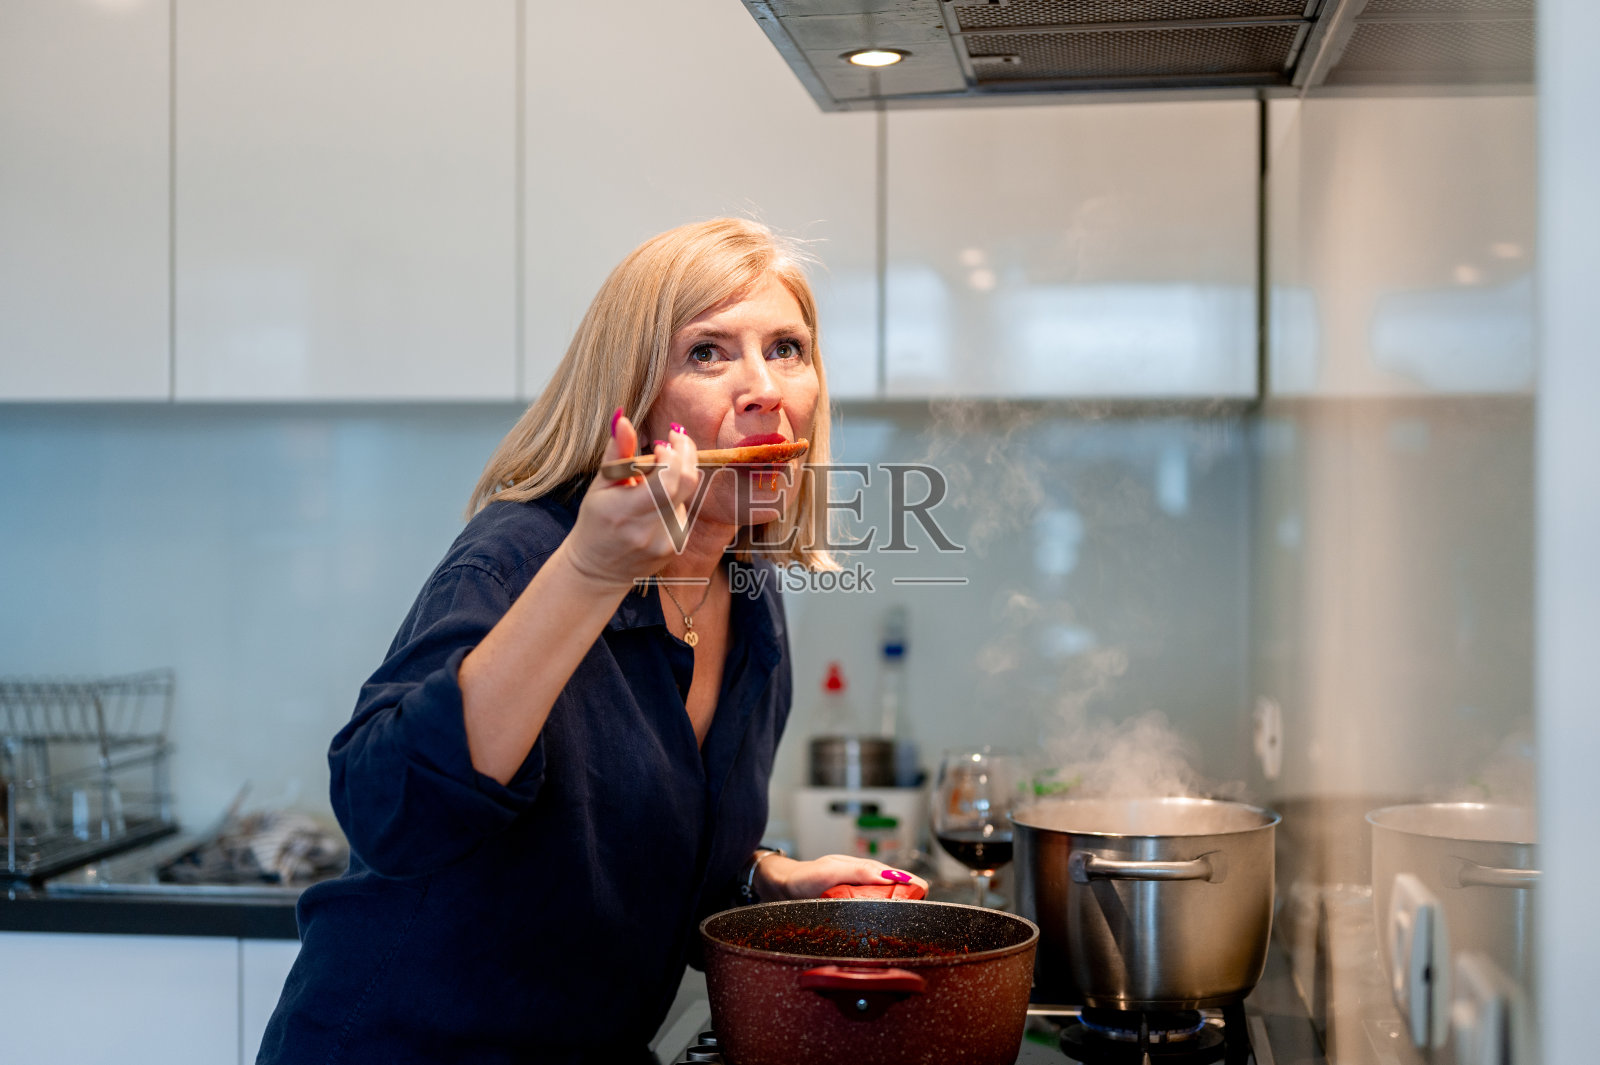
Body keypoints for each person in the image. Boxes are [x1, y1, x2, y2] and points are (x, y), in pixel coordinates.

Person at [257, 218, 927, 1064]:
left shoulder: (751, 599)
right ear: (635, 397)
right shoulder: (523, 553)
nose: (765, 388)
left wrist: (766, 880)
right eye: (708, 353)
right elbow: (391, 814)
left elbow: (640, 864)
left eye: (787, 347)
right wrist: (590, 571)